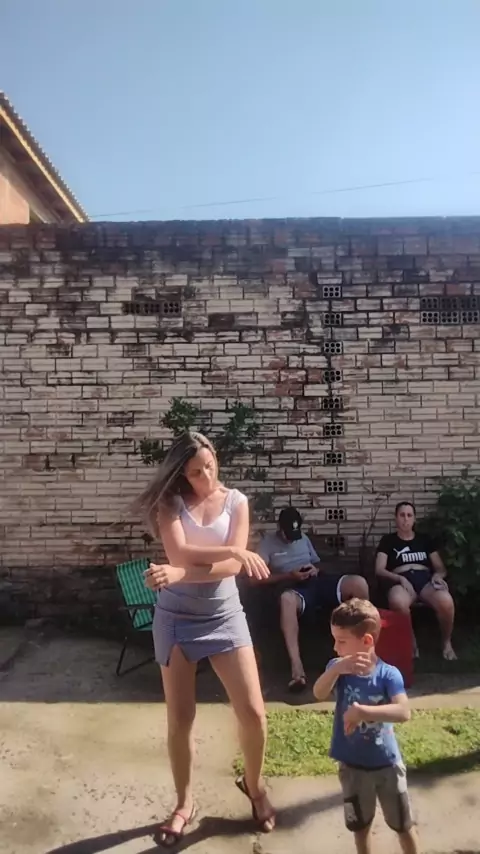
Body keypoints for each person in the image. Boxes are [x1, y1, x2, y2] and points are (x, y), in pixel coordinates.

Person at [135, 431, 276, 846]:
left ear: (216, 458)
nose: (206, 477)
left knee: (254, 714)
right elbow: (182, 554)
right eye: (196, 472)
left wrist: (193, 568)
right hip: (177, 618)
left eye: (210, 466)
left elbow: (231, 567)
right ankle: (184, 803)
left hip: (224, 614)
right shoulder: (169, 504)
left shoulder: (237, 502)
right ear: (181, 473)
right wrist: (229, 552)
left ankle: (254, 785)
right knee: (180, 720)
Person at [313, 599, 419, 854]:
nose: (335, 647)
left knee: (403, 824)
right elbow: (318, 693)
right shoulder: (338, 669)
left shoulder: (388, 674)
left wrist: (363, 712)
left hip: (387, 766)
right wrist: (335, 670)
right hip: (352, 767)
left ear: (367, 641)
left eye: (341, 641)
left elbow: (403, 712)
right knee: (360, 827)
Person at [256, 506, 369, 692]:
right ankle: (297, 669)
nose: (292, 538)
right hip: (293, 587)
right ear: (280, 528)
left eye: (295, 533)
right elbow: (255, 579)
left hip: (316, 581)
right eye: (288, 534)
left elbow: (317, 563)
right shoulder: (267, 544)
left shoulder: (303, 538)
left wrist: (316, 569)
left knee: (358, 584)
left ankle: (363, 656)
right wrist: (289, 576)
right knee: (286, 600)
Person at [375, 501, 456, 661]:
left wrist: (437, 576)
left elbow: (440, 568)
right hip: (401, 581)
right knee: (398, 601)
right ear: (396, 518)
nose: (405, 519)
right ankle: (411, 643)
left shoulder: (424, 540)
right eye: (402, 515)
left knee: (446, 601)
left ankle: (447, 643)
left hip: (425, 580)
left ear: (414, 519)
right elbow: (379, 569)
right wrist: (399, 578)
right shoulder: (388, 541)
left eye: (409, 515)